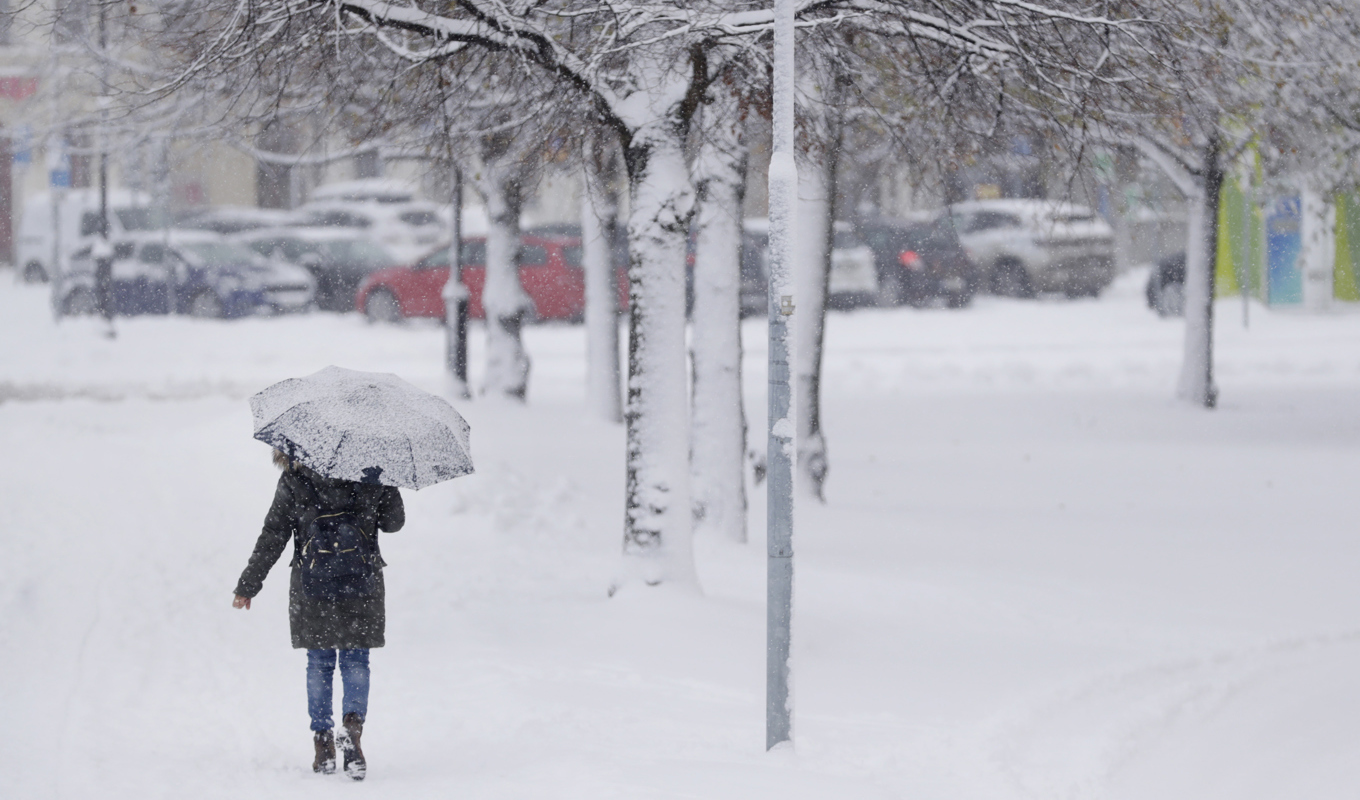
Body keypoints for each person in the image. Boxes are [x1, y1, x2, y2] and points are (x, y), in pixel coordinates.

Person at [232, 449, 404, 780]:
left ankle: (323, 743)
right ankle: (352, 730)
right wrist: (387, 481)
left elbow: (274, 534)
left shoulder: (296, 476)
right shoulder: (372, 471)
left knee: (320, 662)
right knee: (356, 660)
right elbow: (394, 524)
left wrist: (248, 583)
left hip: (313, 583)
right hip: (361, 581)